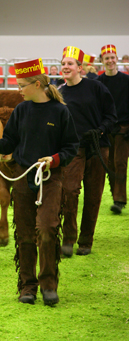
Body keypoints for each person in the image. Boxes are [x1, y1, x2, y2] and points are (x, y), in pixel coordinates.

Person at [0, 58, 79, 306]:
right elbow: (10, 142)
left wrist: (54, 160)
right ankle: (27, 286)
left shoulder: (60, 111)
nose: (19, 90)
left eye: (22, 85)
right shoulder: (21, 111)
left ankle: (48, 285)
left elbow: (71, 147)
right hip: (23, 179)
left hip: (50, 178)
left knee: (47, 229)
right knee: (24, 234)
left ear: (36, 84)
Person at [59, 46, 117, 257]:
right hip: (73, 149)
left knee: (93, 196)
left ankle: (86, 240)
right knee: (70, 192)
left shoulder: (97, 88)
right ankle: (68, 239)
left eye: (70, 64)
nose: (66, 67)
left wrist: (101, 130)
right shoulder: (59, 93)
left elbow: (111, 116)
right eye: (63, 63)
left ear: (80, 68)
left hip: (98, 147)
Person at [97, 44, 129, 214]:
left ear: (116, 59)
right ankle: (116, 194)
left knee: (120, 163)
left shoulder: (127, 80)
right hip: (105, 128)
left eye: (112, 57)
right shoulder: (97, 83)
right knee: (108, 164)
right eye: (106, 58)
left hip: (123, 127)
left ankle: (119, 199)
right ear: (102, 61)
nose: (110, 61)